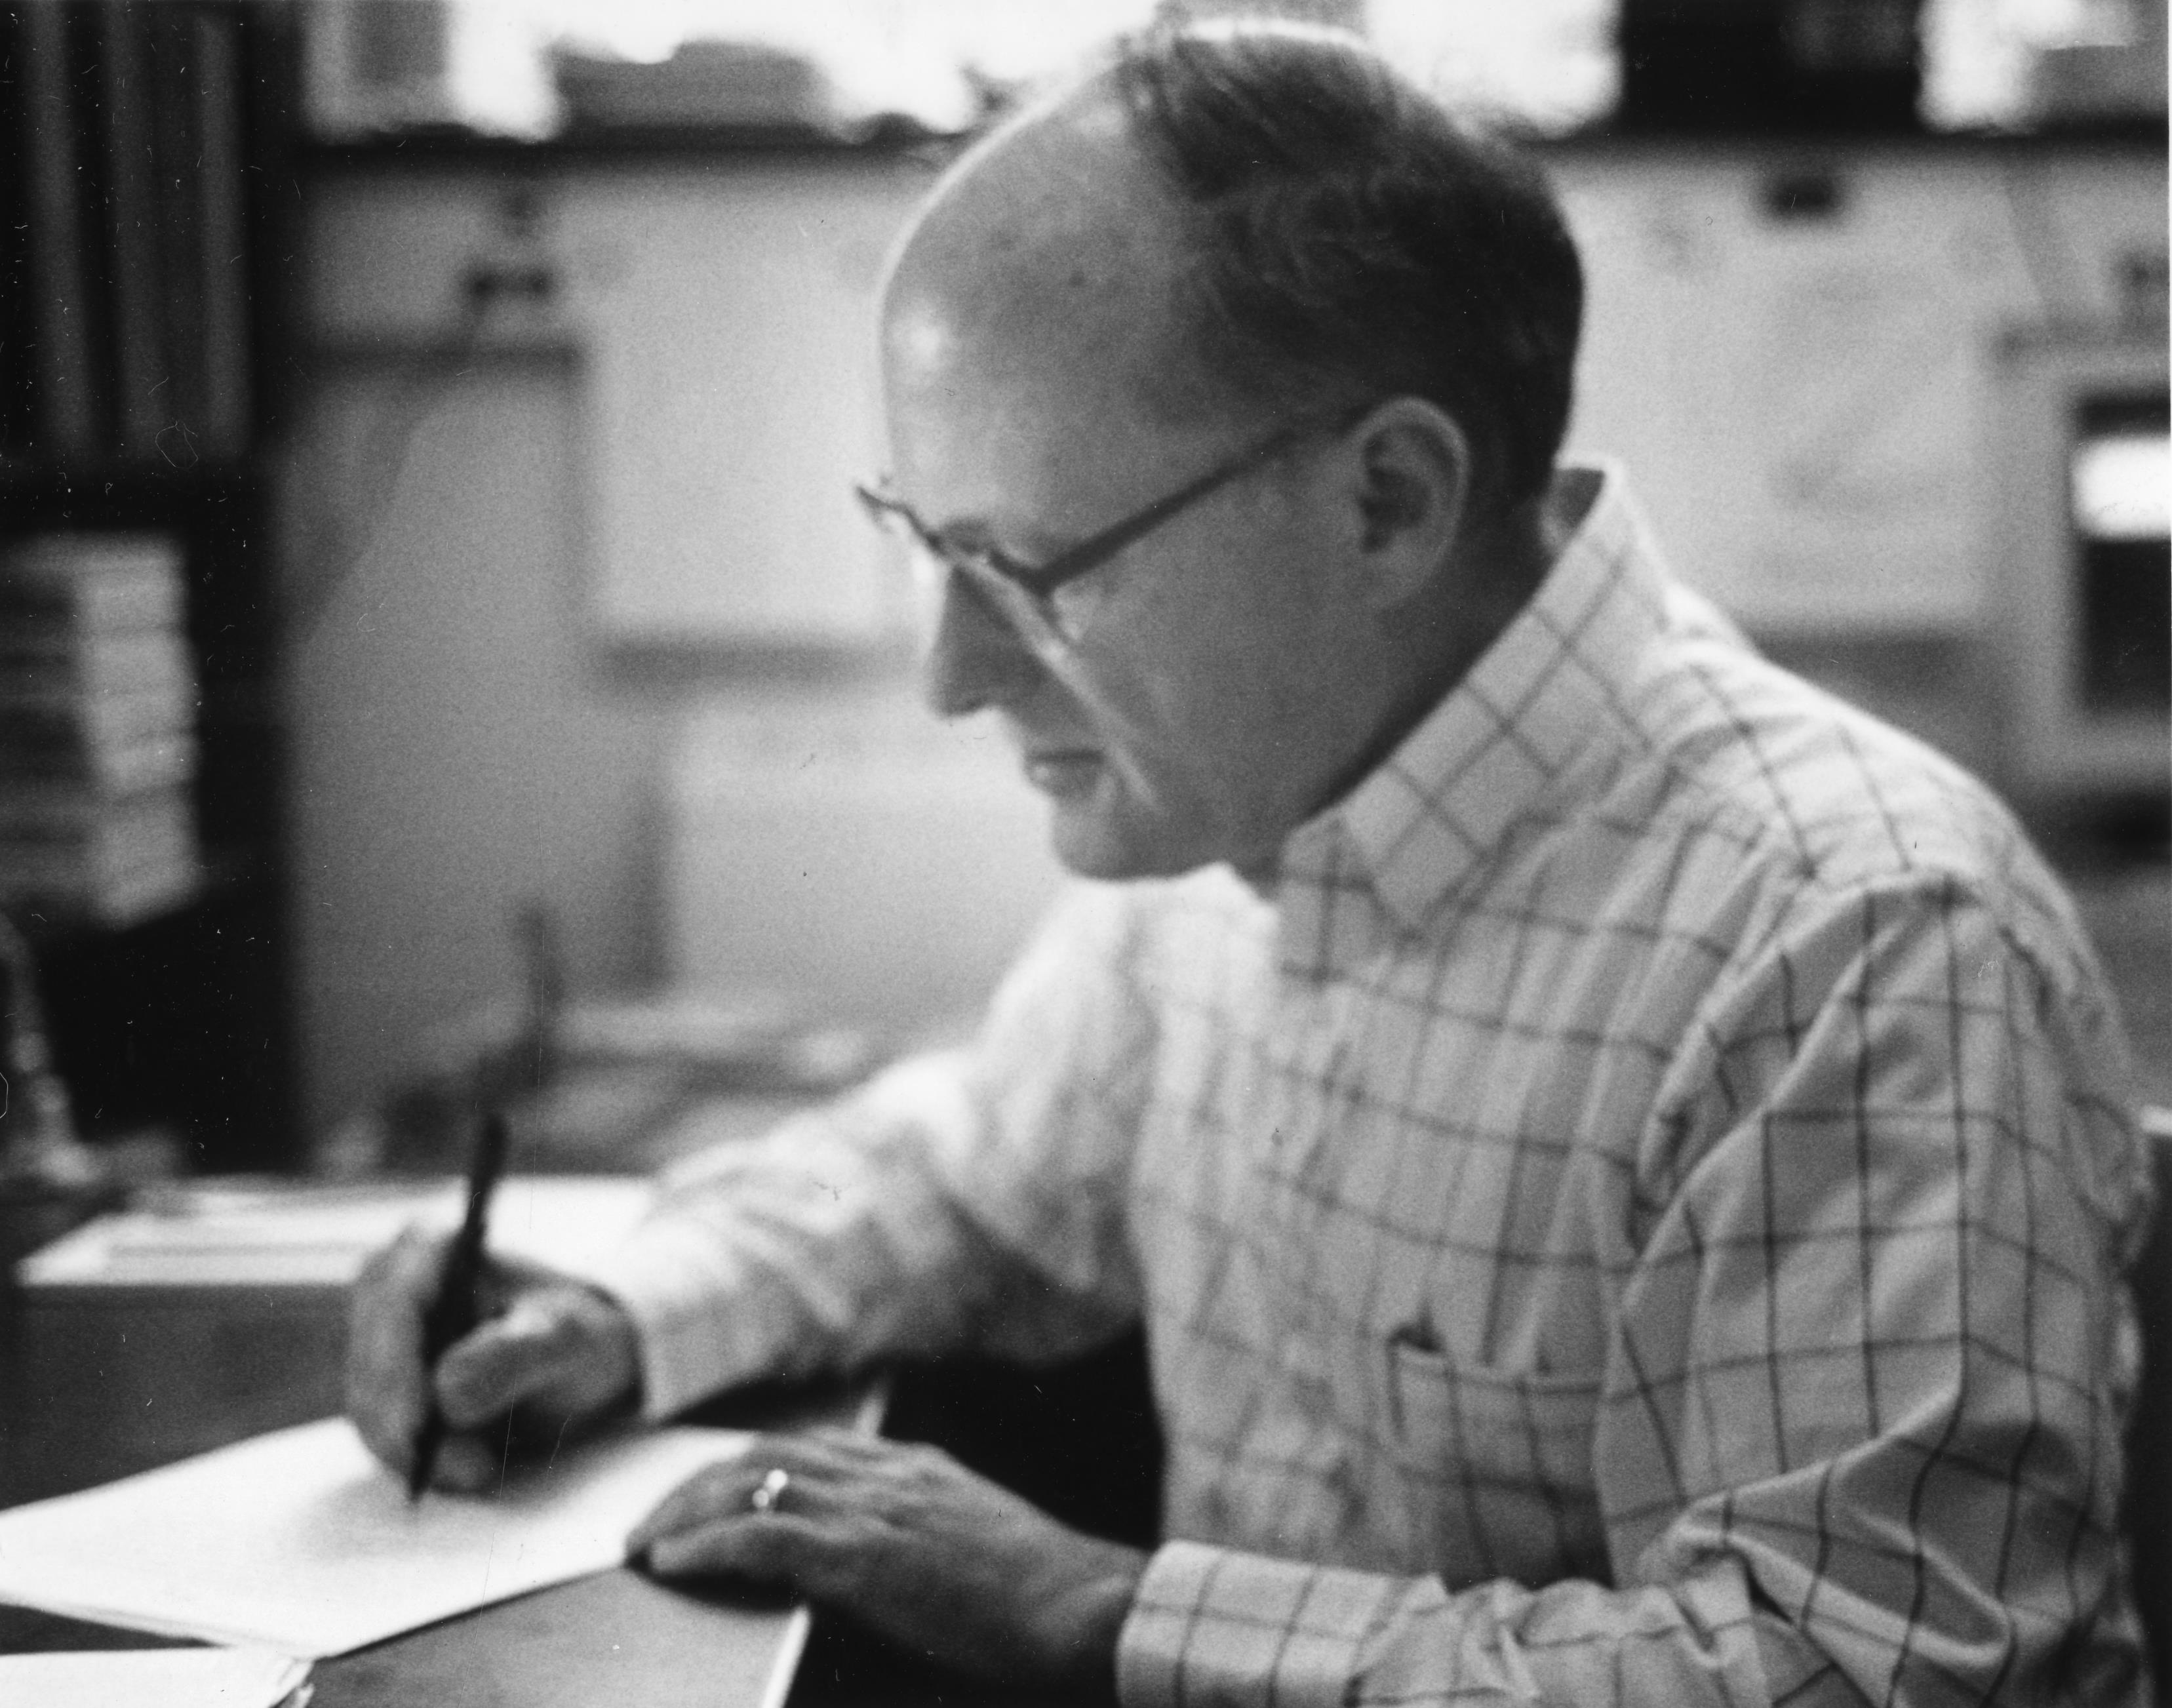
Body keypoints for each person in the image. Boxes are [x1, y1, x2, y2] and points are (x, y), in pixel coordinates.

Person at [347, 22, 2155, 1706]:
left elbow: (1859, 1671)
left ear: (1385, 501)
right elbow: (978, 1181)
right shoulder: (1243, 815)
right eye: (924, 542)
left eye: (1029, 574)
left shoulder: (1856, 943)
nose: (949, 676)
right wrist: (607, 1312)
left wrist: (1099, 1609)